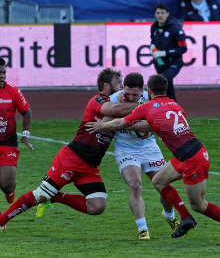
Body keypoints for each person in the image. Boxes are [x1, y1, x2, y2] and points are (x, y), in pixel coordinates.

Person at [86, 74, 220, 242]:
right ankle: (185, 217)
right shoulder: (174, 104)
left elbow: (120, 123)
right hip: (188, 153)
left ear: (147, 90)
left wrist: (101, 125)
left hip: (191, 158)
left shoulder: (146, 107)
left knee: (198, 205)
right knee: (159, 181)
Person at [0, 68, 140, 230]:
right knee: (40, 195)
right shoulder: (98, 101)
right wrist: (144, 105)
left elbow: (125, 118)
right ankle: (1, 220)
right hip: (71, 159)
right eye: (119, 83)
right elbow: (114, 111)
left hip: (89, 167)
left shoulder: (119, 105)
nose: (122, 88)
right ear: (107, 85)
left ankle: (56, 198)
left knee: (97, 206)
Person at [109, 72, 179, 240]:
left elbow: (161, 120)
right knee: (135, 184)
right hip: (125, 149)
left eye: (135, 94)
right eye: (128, 93)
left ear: (144, 91)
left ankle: (169, 215)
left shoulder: (151, 99)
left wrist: (149, 126)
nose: (131, 97)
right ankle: (142, 228)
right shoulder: (114, 99)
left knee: (164, 186)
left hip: (149, 148)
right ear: (123, 88)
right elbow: (107, 116)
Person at [0, 57, 33, 229]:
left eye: (3, 72)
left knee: (6, 184)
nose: (1, 76)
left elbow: (27, 112)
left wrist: (25, 135)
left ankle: (10, 190)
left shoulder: (12, 91)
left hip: (8, 144)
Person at [150, 4, 187, 102]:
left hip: (173, 63)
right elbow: (153, 41)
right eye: (158, 13)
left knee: (161, 80)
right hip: (160, 63)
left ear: (167, 14)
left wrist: (164, 53)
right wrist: (152, 47)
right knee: (168, 88)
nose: (160, 15)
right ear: (155, 14)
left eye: (162, 13)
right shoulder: (154, 27)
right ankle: (173, 107)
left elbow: (183, 48)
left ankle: (151, 106)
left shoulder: (175, 28)